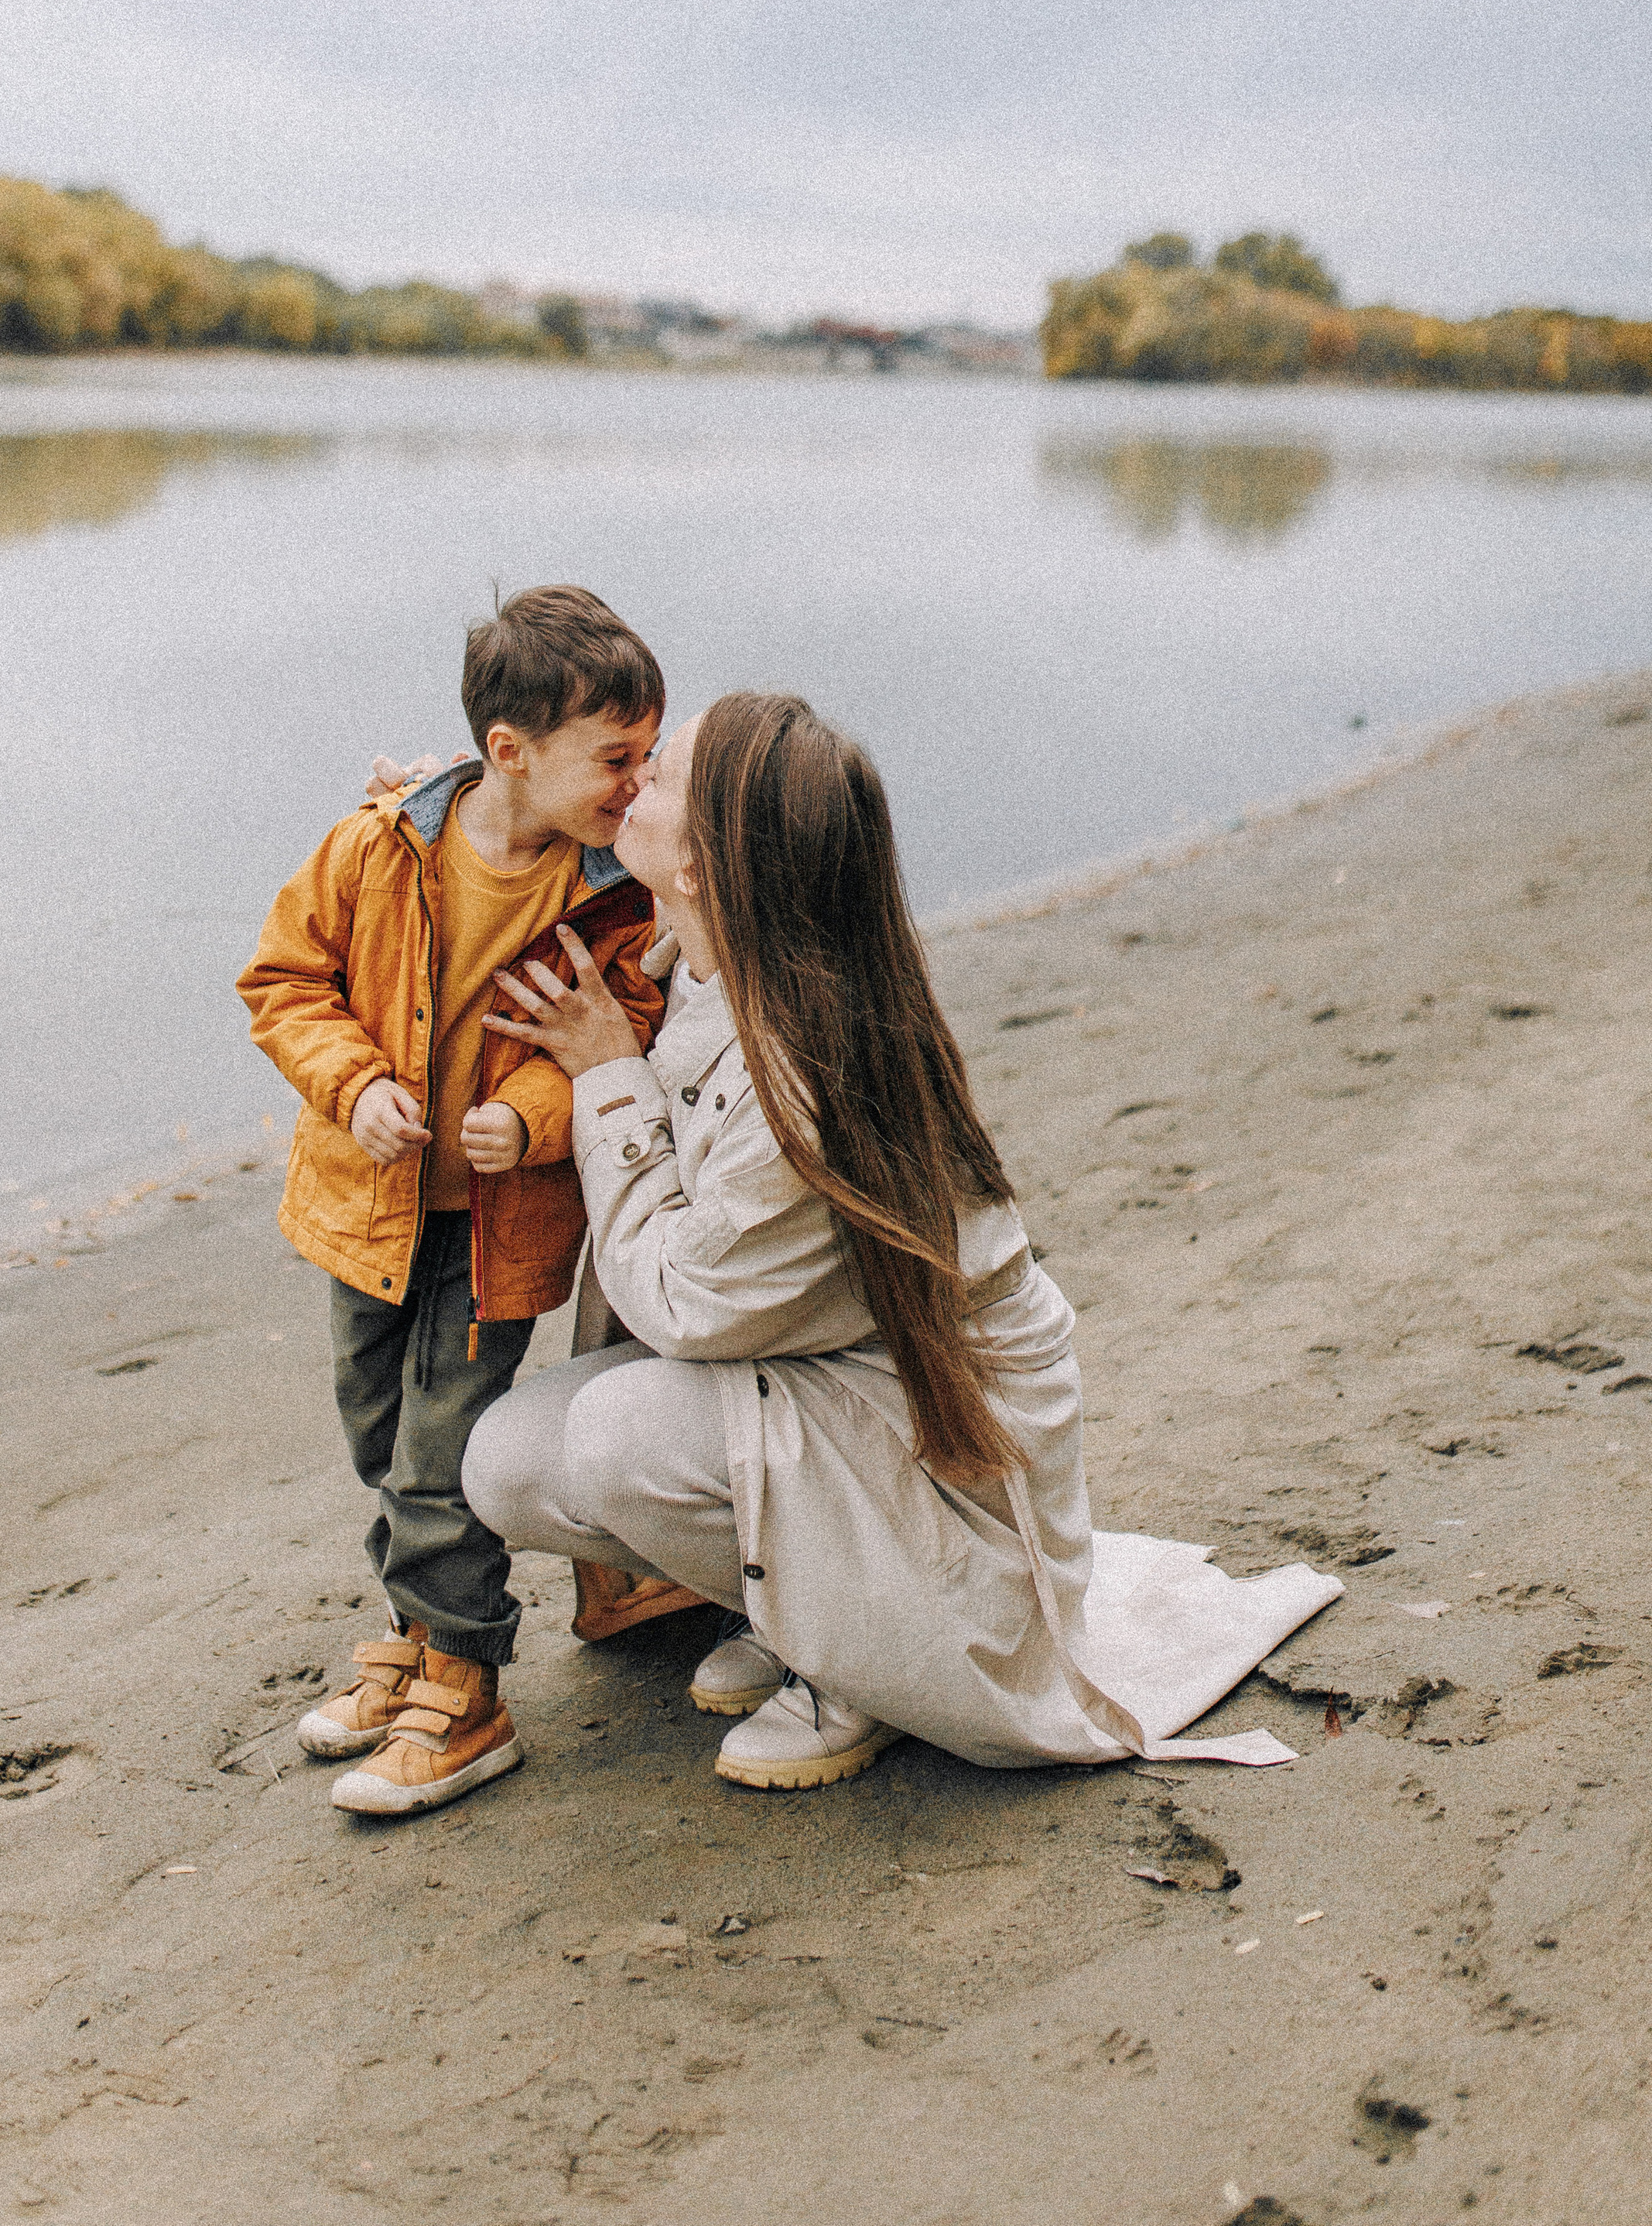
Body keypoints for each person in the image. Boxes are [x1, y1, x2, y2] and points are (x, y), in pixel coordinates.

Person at [463, 691, 1339, 1789]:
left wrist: (605, 1081)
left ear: (705, 866)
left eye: (660, 775)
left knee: (613, 1438)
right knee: (505, 1463)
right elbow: (530, 801)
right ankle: (798, 1594)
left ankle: (857, 1664)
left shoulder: (805, 1065)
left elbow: (687, 1308)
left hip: (922, 1429)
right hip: (808, 1377)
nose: (629, 782)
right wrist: (451, 793)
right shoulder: (709, 953)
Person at [235, 584, 685, 1819]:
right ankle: (417, 1635)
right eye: (617, 758)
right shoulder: (375, 849)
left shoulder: (610, 891)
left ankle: (468, 1690)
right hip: (368, 1211)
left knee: (445, 1452)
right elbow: (283, 980)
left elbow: (629, 1021)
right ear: (508, 753)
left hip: (498, 1231)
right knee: (380, 1435)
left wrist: (535, 1114)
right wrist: (354, 1083)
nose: (637, 785)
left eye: (650, 757)